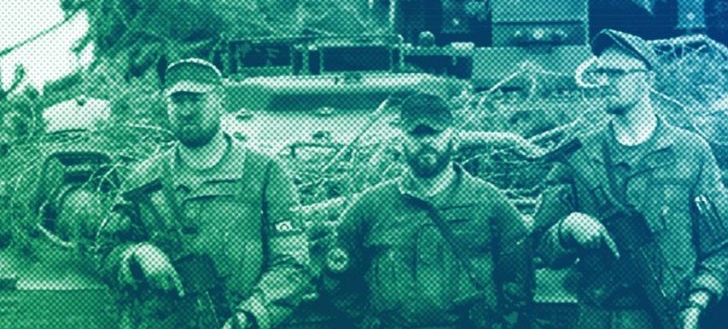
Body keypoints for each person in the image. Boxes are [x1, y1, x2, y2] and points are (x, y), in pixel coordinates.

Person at [532, 29, 728, 329]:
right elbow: (539, 245)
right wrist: (566, 229)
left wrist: (698, 301)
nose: (604, 81)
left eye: (616, 73)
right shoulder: (578, 156)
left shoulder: (690, 152)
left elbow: (722, 245)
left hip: (672, 316)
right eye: (600, 72)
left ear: (648, 79)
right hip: (599, 319)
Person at [94, 58, 311, 329]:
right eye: (177, 100)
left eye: (196, 99)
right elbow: (105, 252)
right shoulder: (143, 178)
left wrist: (249, 318)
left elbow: (292, 264)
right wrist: (137, 254)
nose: (186, 111)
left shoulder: (265, 173)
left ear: (220, 99)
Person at [320, 91, 533, 329]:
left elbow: (519, 278)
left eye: (435, 132)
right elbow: (337, 280)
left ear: (453, 137)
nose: (426, 141)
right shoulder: (370, 207)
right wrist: (369, 323)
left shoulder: (489, 202)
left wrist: (502, 323)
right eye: (416, 134)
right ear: (401, 141)